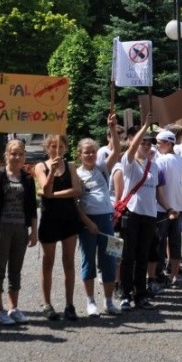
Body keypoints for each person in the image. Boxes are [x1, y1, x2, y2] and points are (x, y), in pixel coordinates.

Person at [0, 138, 38, 325]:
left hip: (20, 228)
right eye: (13, 153)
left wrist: (34, 231)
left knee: (16, 270)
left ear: (24, 157)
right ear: (7, 155)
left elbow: (31, 207)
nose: (16, 157)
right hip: (1, 227)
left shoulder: (27, 178)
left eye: (20, 154)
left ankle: (13, 308)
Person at [117, 114, 165, 311]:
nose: (146, 146)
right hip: (132, 214)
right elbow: (130, 150)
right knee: (128, 256)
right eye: (142, 142)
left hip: (149, 216)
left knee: (143, 256)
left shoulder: (154, 166)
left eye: (148, 143)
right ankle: (125, 294)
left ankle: (141, 294)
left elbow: (156, 192)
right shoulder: (128, 163)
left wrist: (168, 208)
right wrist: (145, 127)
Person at [75, 113, 121, 316]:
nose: (91, 155)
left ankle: (109, 301)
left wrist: (112, 128)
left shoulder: (103, 168)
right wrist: (86, 222)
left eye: (93, 152)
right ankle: (90, 301)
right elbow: (74, 204)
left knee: (110, 259)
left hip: (106, 219)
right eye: (87, 153)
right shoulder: (76, 174)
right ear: (79, 155)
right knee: (88, 261)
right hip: (88, 222)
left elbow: (117, 150)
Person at [35, 134, 83, 321]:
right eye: (54, 146)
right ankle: (47, 304)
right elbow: (45, 190)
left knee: (68, 262)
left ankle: (69, 304)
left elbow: (77, 191)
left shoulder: (70, 167)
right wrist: (51, 174)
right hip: (49, 219)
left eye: (61, 146)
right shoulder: (41, 166)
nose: (58, 150)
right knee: (48, 262)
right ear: (48, 148)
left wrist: (54, 195)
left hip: (68, 218)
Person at [153, 129, 182, 285]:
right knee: (175, 242)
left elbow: (157, 184)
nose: (157, 146)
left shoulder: (161, 161)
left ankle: (159, 274)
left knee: (160, 243)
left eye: (158, 143)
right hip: (179, 207)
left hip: (163, 208)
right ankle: (174, 275)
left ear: (168, 143)